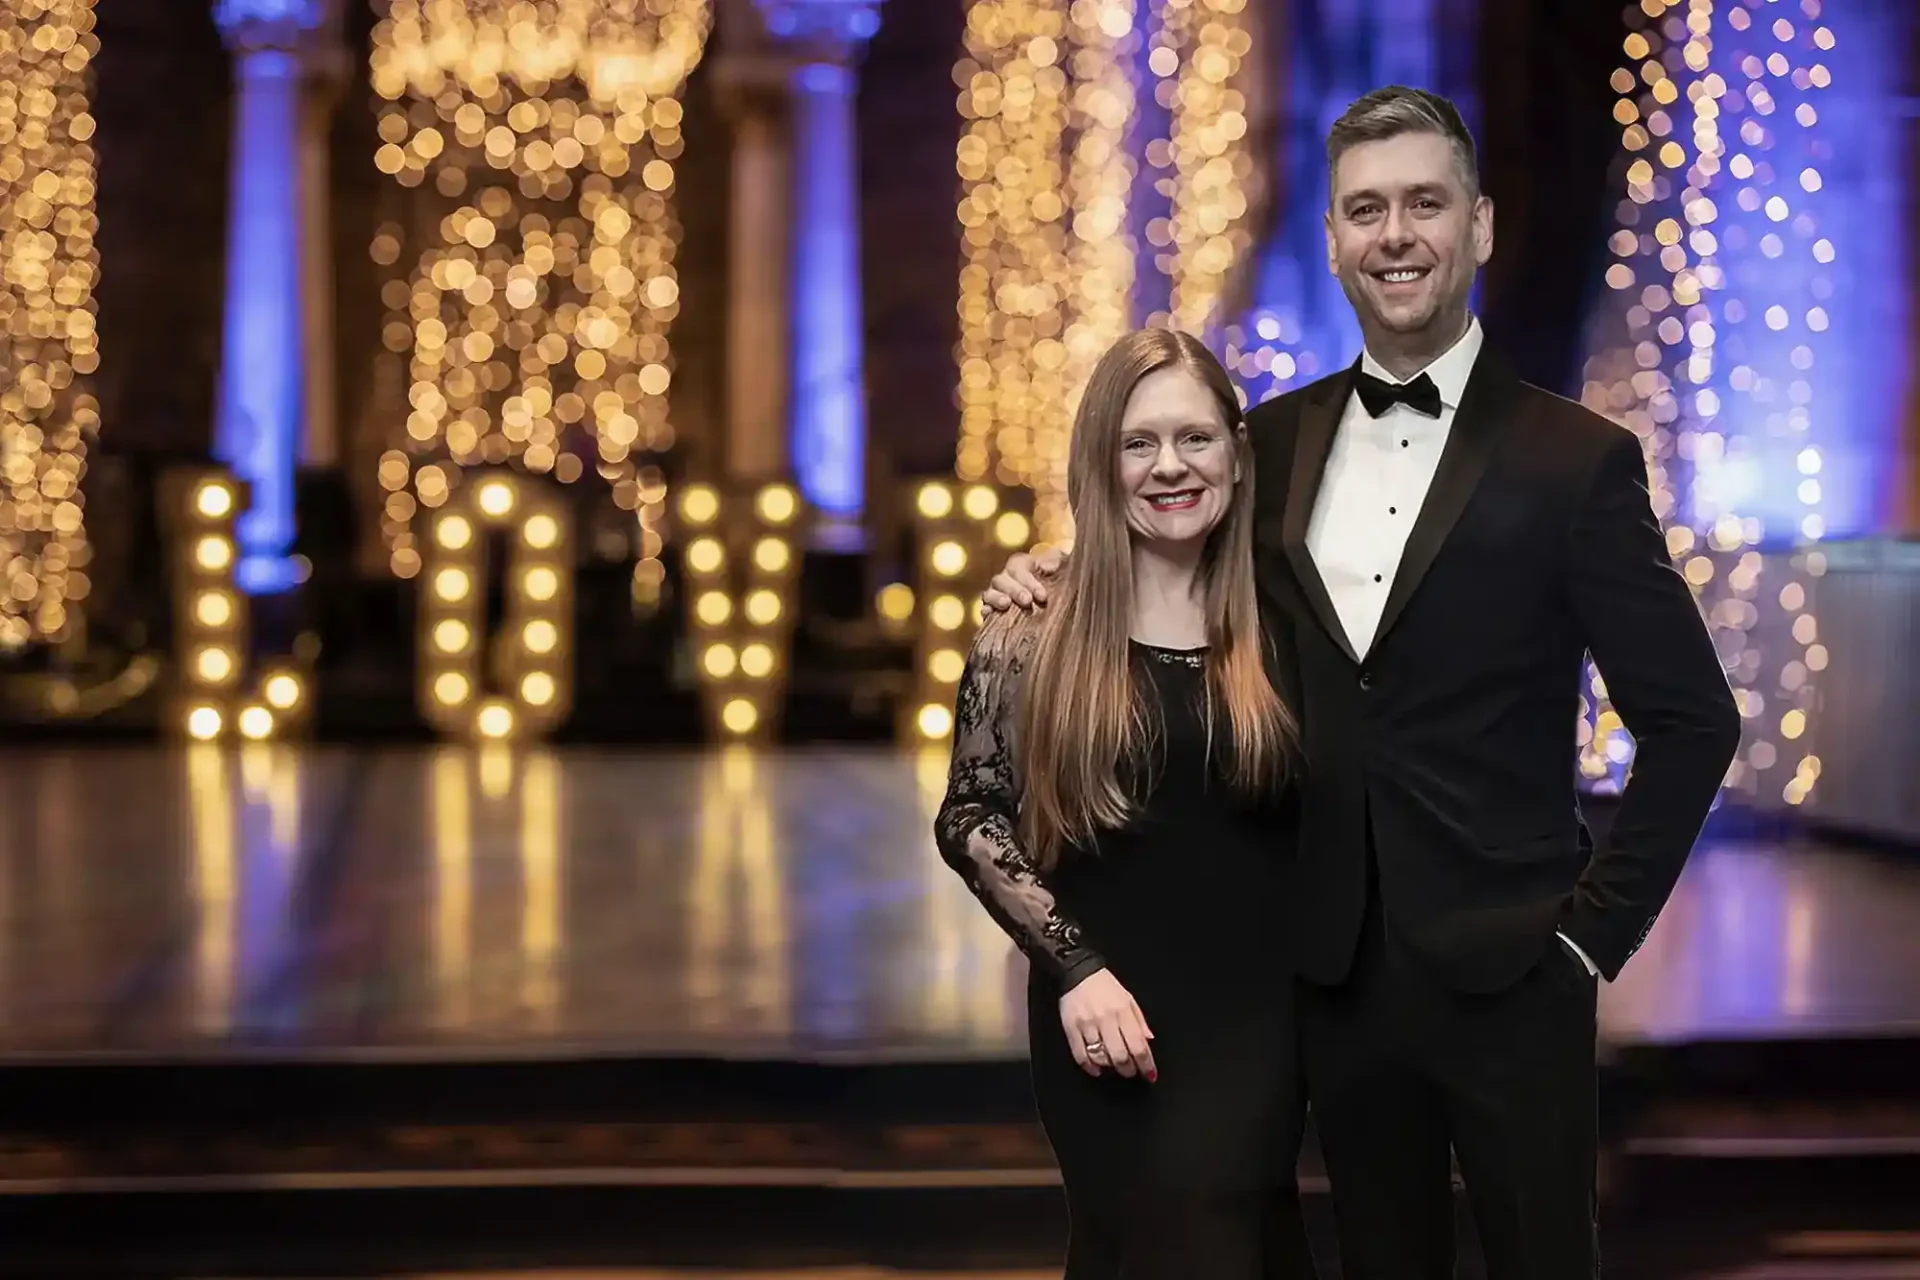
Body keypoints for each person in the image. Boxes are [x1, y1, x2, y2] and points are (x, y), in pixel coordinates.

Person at [983, 86, 1742, 1279]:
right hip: (1327, 984)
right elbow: (1162, 534)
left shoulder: (1578, 460)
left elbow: (1696, 720)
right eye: (1366, 209)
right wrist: (1052, 575)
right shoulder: (1267, 445)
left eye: (1425, 204)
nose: (1396, 234)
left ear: (1479, 226)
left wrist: (1593, 938)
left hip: (1517, 972)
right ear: (1334, 238)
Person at [934, 328, 1318, 1279]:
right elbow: (973, 818)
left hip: (1259, 1022)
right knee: (1131, 1247)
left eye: (1194, 438)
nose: (1169, 466)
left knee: (1223, 1239)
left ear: (1235, 449)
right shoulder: (1034, 626)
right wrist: (1076, 971)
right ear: (1099, 465)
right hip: (1105, 1013)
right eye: (1138, 443)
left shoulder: (1288, 623)